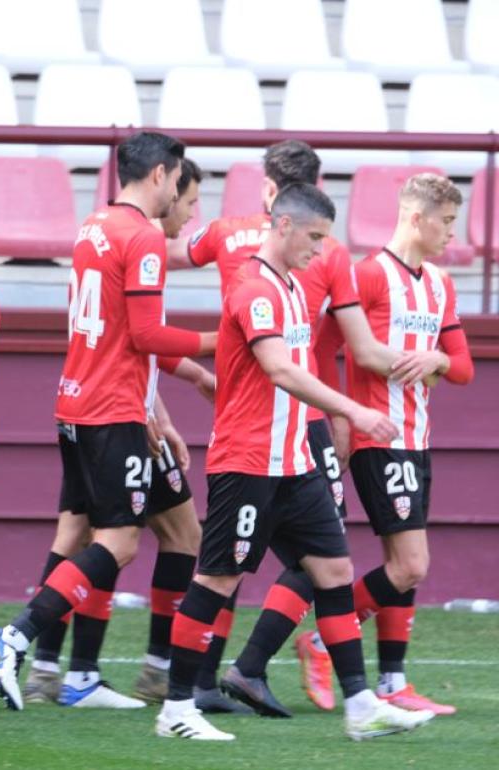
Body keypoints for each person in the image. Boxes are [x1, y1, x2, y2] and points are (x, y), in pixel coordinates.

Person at [153, 183, 435, 742]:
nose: (321, 248)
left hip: (295, 461)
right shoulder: (254, 289)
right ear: (281, 226)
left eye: (327, 238)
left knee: (333, 572)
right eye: (314, 236)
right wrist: (354, 409)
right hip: (249, 462)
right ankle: (176, 709)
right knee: (216, 580)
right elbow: (282, 371)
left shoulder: (289, 287)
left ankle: (361, 707)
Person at [0, 131, 217, 712]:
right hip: (112, 411)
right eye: (179, 181)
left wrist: (158, 403)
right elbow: (146, 335)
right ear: (160, 174)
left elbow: (118, 332)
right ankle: (16, 639)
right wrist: (225, 342)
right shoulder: (144, 237)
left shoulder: (93, 226)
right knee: (118, 543)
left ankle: (76, 674)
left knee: (167, 532)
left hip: (85, 402)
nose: (182, 198)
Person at [338, 174, 472, 714]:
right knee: (412, 564)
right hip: (380, 436)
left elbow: (462, 368)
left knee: (403, 561)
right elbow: (342, 349)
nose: (451, 235)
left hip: (418, 438)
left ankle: (393, 681)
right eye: (445, 222)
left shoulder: (440, 284)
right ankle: (327, 636)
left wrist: (438, 359)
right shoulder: (368, 276)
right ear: (416, 219)